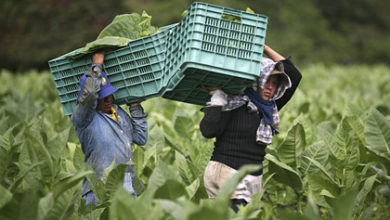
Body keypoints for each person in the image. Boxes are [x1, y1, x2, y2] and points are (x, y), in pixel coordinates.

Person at [199, 45, 302, 212]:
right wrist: (218, 98)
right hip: (227, 172)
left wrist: (263, 46)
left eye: (275, 83)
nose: (270, 87)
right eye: (266, 80)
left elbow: (294, 75)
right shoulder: (237, 102)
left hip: (252, 177)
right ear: (257, 80)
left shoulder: (269, 108)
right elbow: (208, 131)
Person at [70, 52, 148, 205]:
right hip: (99, 190)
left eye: (109, 95)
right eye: (102, 97)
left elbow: (141, 138)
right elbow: (91, 93)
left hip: (126, 188)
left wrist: (135, 107)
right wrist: (97, 65)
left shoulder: (118, 112)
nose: (107, 100)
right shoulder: (84, 118)